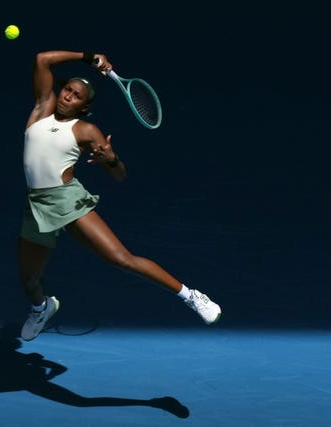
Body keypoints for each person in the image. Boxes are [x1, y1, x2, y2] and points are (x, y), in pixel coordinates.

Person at [19, 50, 221, 341]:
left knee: (122, 258)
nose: (67, 96)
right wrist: (88, 57)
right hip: (35, 204)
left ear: (84, 108)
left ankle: (190, 295)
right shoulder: (41, 110)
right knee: (29, 278)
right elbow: (41, 59)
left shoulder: (86, 131)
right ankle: (42, 308)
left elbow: (120, 175)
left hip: (67, 201)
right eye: (66, 90)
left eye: (76, 96)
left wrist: (110, 159)